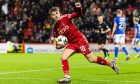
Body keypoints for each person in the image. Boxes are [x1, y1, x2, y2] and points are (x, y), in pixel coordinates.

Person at [49, 2, 119, 83]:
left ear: (59, 12)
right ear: (51, 17)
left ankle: (111, 64)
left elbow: (77, 14)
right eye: (54, 14)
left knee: (91, 59)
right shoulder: (55, 28)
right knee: (63, 57)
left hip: (80, 40)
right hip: (72, 43)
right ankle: (67, 77)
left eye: (57, 13)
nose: (56, 15)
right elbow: (58, 42)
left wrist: (78, 8)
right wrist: (59, 46)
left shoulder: (66, 17)